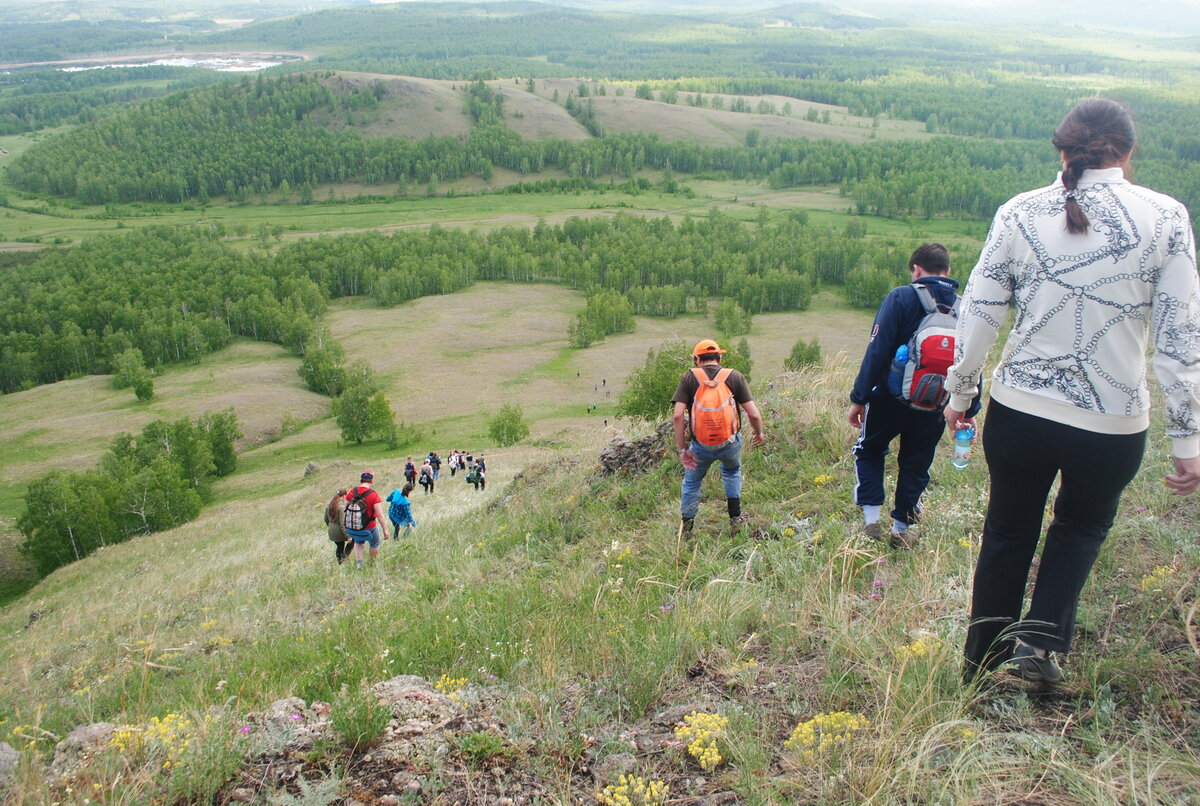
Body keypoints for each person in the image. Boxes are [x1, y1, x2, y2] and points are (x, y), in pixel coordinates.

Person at [943, 98, 1200, 686]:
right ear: (1129, 152)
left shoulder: (1021, 212)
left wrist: (961, 395)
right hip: (1111, 424)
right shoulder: (1166, 218)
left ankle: (980, 663)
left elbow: (980, 313)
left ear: (1061, 149)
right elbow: (1181, 338)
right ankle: (1038, 649)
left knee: (1008, 532)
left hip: (1021, 411)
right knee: (1080, 529)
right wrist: (1187, 440)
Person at [848, 243, 978, 547]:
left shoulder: (902, 296)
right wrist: (969, 409)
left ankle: (871, 520)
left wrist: (859, 397)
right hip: (936, 403)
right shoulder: (964, 308)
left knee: (869, 450)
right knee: (916, 463)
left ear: (916, 270)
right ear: (948, 272)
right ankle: (902, 527)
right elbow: (974, 362)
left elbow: (877, 350)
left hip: (889, 399)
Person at [673, 338, 765, 535]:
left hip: (700, 445)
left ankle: (687, 530)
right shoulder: (735, 377)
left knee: (692, 483)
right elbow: (754, 414)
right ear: (719, 357)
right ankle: (735, 519)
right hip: (729, 442)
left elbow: (678, 415)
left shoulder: (689, 378)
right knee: (732, 472)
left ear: (696, 359)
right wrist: (759, 433)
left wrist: (683, 450)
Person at [343, 470, 388, 568]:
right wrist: (385, 530)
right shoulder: (373, 494)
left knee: (358, 542)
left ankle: (360, 564)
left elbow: (345, 509)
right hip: (369, 527)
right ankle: (372, 564)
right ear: (371, 481)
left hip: (354, 527)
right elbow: (380, 514)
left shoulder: (352, 492)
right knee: (374, 543)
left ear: (361, 480)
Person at [324, 489, 351, 564]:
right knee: (353, 540)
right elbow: (343, 524)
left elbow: (326, 520)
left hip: (331, 531)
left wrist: (330, 527)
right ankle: (344, 557)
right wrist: (348, 536)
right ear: (344, 496)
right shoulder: (342, 508)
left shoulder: (329, 505)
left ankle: (339, 561)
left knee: (339, 546)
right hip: (339, 532)